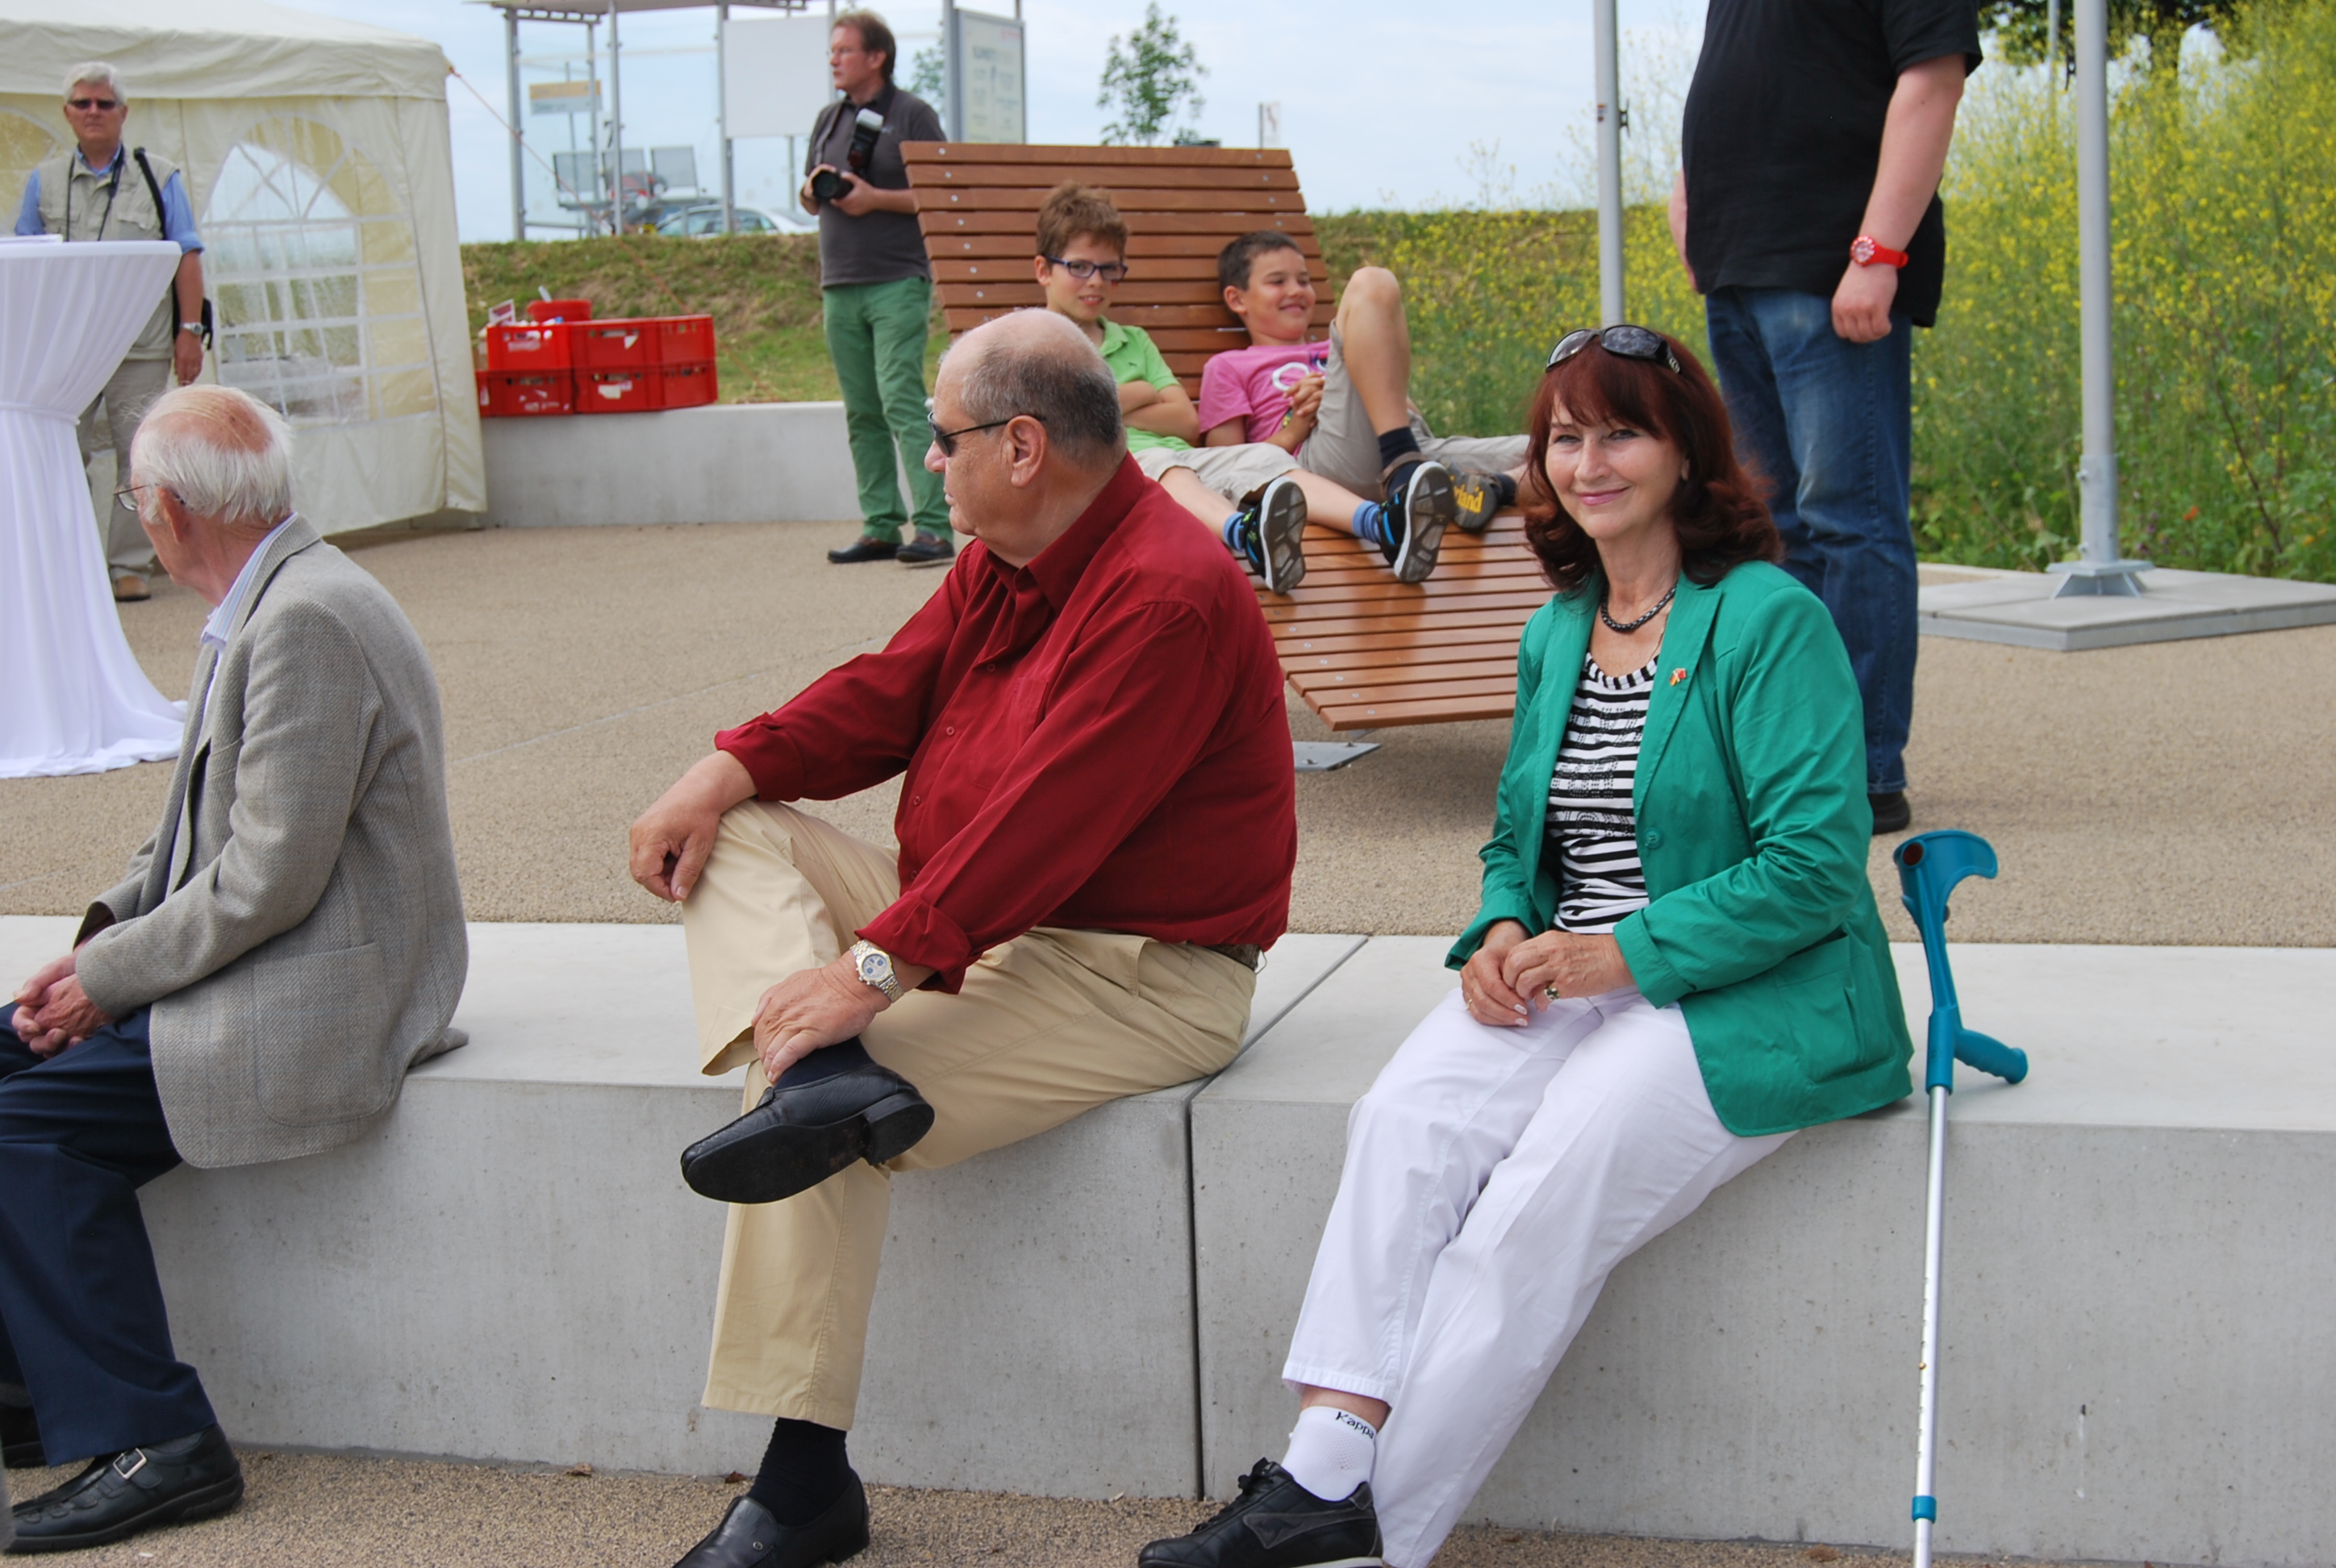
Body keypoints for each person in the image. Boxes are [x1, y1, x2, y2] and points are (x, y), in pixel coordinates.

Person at [1138, 327, 1913, 1568]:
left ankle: (1372, 1542)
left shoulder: (1771, 620)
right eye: (1564, 438)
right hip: (1573, 973)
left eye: (1621, 433)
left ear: (1686, 452)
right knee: (1402, 1120)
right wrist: (1504, 925)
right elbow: (1518, 837)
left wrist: (1621, 954)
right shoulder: (1559, 626)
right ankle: (1323, 1470)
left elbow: (1816, 869)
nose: (1587, 462)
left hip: (1751, 988)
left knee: (1536, 1201)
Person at [628, 309, 1295, 1568]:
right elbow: (887, 692)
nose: (931, 460)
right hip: (983, 917)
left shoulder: (1168, 594)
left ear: (1023, 446)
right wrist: (724, 768)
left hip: (1134, 970)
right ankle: (825, 1081)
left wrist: (874, 969)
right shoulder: (1011, 558)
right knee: (746, 837)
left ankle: (803, 1486)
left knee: (815, 1116)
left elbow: (1052, 820)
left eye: (945, 438)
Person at [0, 386, 467, 1555]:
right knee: (5, 1055)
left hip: (325, 991)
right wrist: (98, 952)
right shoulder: (274, 594)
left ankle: (160, 1441)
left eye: (135, 500)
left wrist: (111, 981)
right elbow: (190, 842)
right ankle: (32, 1389)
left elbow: (267, 881)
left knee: (22, 1130)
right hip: (275, 959)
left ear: (167, 510)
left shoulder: (305, 619)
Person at [1669, 0, 1980, 835]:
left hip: (1829, 263)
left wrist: (1879, 252)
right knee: (1772, 527)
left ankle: (1864, 771)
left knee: (1850, 521)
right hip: (1741, 264)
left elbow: (1933, 77)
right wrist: (1691, 196)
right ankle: (1792, 761)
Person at [1029, 183, 1468, 595]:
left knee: (1266, 459)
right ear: (1044, 270)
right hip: (1119, 466)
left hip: (1188, 456)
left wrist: (1101, 404)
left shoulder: (1134, 340)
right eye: (1080, 267)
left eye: (1110, 269)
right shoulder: (1032, 342)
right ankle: (1245, 535)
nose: (1096, 281)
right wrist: (1142, 391)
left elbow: (1184, 421)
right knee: (1164, 465)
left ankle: (1382, 525)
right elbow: (1055, 421)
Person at [1201, 232, 1531, 586]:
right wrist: (1294, 429)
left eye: (1304, 280)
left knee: (1550, 452)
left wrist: (1343, 389)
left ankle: (1492, 488)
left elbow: (1409, 410)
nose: (1296, 290)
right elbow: (1231, 467)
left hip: (1411, 446)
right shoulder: (1229, 366)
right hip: (1325, 463)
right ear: (1237, 299)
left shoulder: (1351, 340)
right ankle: (1403, 470)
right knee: (1372, 283)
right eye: (1277, 281)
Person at [15, 62, 209, 604]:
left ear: (124, 112)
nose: (93, 112)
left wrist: (190, 331)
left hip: (140, 346)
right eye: (83, 103)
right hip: (65, 349)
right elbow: (25, 264)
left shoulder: (159, 176)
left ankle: (130, 566)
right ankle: (68, 567)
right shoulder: (44, 181)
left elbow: (187, 254)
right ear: (67, 113)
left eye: (104, 103)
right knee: (57, 454)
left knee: (140, 457)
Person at [803, 10, 953, 569]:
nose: (834, 60)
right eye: (832, 51)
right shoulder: (829, 118)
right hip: (839, 282)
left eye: (844, 50)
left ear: (876, 56)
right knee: (861, 409)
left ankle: (934, 525)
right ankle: (880, 525)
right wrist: (814, 191)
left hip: (897, 279)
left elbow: (940, 192)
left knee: (899, 397)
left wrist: (875, 199)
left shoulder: (912, 114)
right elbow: (810, 195)